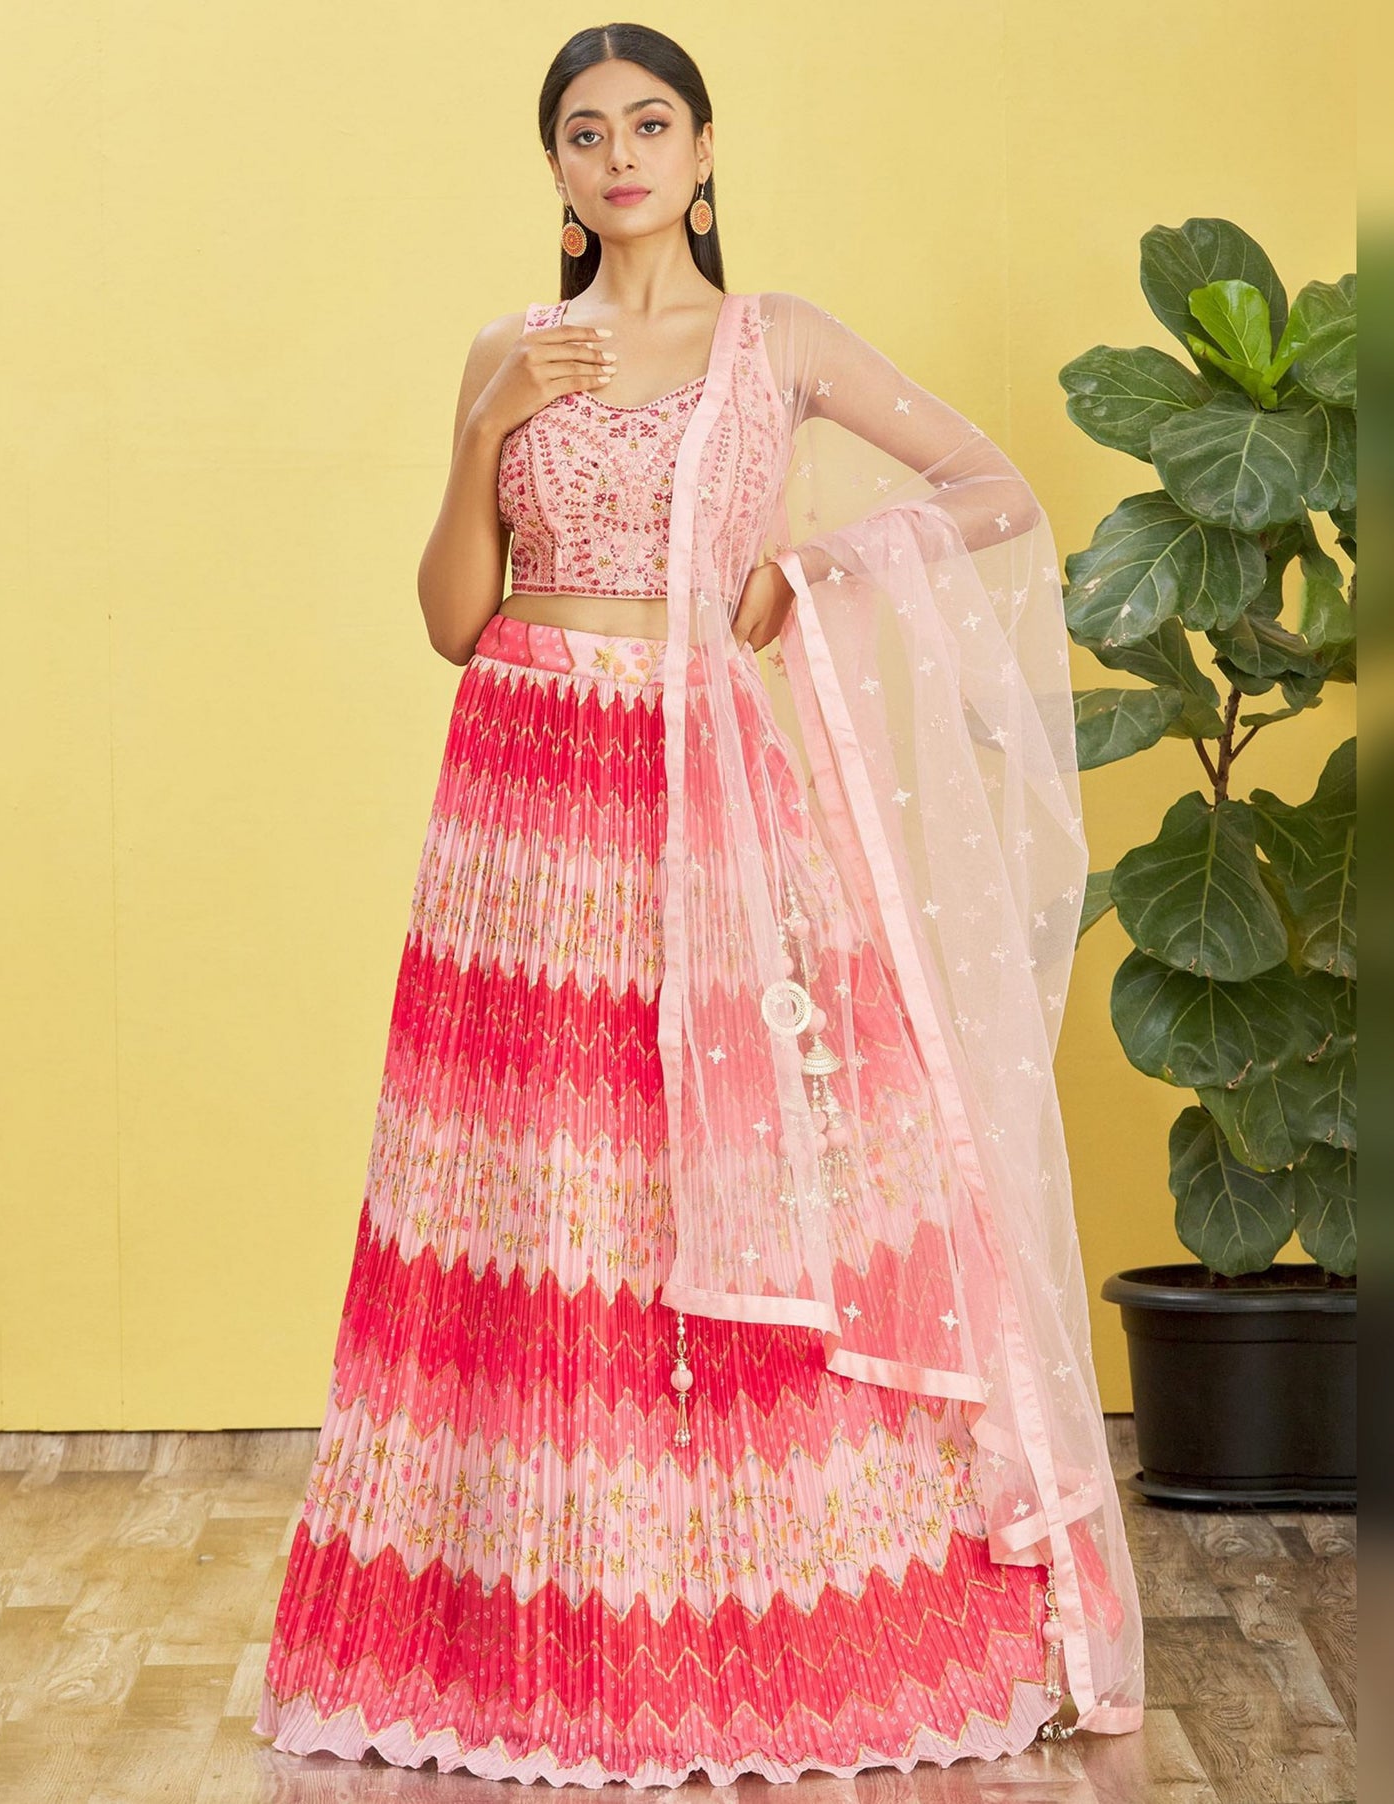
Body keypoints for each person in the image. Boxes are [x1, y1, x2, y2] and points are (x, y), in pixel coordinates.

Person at [253, 21, 1144, 1786]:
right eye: (584, 135)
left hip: (702, 791)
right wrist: (482, 426)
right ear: (558, 172)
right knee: (534, 1191)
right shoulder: (509, 352)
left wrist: (803, 568)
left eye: (649, 124)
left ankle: (760, 1608)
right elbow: (449, 616)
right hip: (515, 802)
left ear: (706, 148)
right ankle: (529, 1614)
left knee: (731, 1172)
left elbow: (990, 488)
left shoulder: (776, 343)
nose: (619, 158)